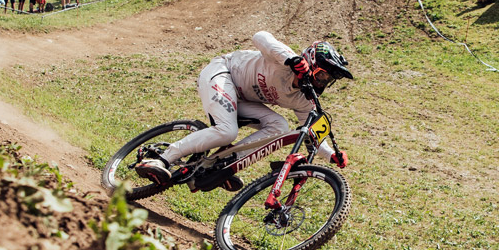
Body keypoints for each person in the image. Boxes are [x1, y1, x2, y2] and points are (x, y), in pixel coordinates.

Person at [135, 33, 352, 187]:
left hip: (241, 98)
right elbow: (260, 36)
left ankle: (221, 163)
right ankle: (161, 158)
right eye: (324, 74)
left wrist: (331, 155)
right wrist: (291, 59)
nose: (324, 82)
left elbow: (312, 132)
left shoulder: (303, 99)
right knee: (227, 131)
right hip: (222, 73)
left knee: (280, 126)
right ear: (312, 61)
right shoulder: (285, 59)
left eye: (329, 79)